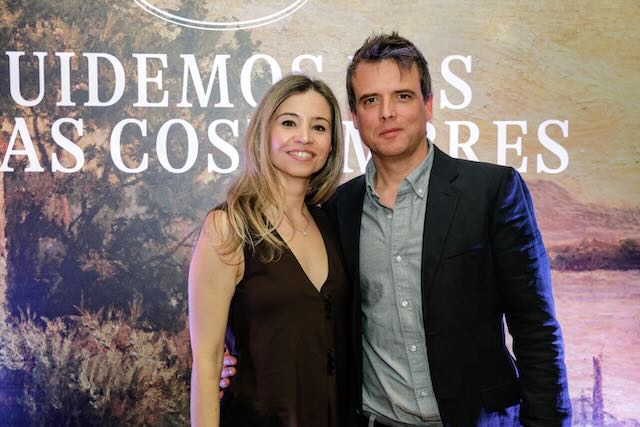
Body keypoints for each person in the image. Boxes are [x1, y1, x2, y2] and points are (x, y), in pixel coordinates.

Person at [222, 33, 571, 426]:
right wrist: (227, 354)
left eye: (402, 96)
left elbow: (537, 330)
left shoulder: (491, 192)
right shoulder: (336, 211)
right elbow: (292, 308)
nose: (386, 113)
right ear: (355, 118)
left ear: (428, 105)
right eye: (371, 100)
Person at [189, 74, 350, 427]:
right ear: (264, 131)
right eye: (289, 122)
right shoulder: (228, 227)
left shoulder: (334, 223)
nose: (304, 137)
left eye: (319, 127)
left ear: (332, 144)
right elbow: (207, 363)